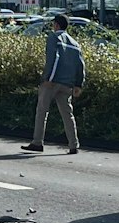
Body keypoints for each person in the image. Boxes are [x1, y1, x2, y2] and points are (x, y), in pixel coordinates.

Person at [27, 14, 85, 154]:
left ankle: (37, 142)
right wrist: (78, 84)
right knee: (67, 114)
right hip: (68, 84)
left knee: (42, 111)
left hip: (53, 82)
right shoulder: (75, 44)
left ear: (57, 25)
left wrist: (48, 78)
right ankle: (73, 145)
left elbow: (53, 58)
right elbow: (80, 65)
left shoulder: (54, 38)